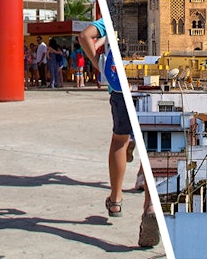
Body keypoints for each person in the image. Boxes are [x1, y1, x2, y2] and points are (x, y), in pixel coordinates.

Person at [78, 18, 160, 249]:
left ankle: (115, 200)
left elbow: (84, 36)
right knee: (150, 144)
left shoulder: (108, 19)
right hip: (145, 90)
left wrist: (98, 64)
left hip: (118, 88)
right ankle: (151, 207)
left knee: (119, 140)